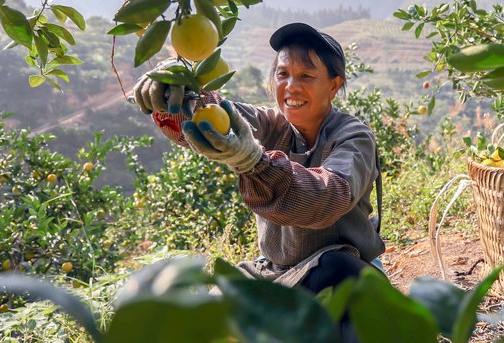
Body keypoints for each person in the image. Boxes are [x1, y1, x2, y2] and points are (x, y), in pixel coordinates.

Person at [132, 22, 385, 296]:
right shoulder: (272, 125)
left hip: (344, 267)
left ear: (334, 85)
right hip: (278, 272)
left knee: (334, 269)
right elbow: (217, 115)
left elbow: (328, 198)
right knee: (211, 309)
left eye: (306, 76)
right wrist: (178, 93)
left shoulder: (353, 137)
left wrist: (256, 162)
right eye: (282, 74)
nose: (291, 86)